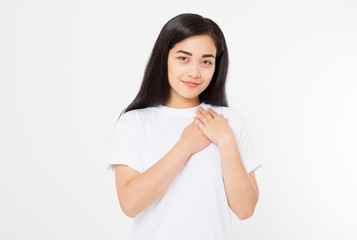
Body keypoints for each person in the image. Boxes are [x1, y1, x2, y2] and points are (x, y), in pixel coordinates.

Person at [106, 13, 262, 240]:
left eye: (206, 61)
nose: (194, 72)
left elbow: (245, 209)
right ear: (164, 58)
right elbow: (130, 204)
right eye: (183, 58)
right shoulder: (135, 122)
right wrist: (186, 145)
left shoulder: (228, 121)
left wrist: (226, 141)